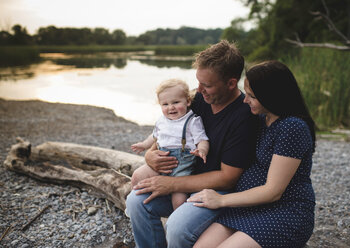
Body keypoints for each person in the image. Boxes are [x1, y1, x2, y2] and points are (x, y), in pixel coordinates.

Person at [125, 40, 259, 248]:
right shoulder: (199, 100)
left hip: (218, 193)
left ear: (231, 83)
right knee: (136, 201)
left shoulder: (243, 117)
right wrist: (150, 155)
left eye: (207, 85)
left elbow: (227, 179)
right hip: (183, 175)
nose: (199, 90)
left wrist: (171, 185)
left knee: (177, 227)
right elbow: (169, 130)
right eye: (198, 82)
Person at [188, 60, 316, 248]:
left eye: (252, 96)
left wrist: (221, 200)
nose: (245, 100)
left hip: (285, 211)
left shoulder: (292, 127)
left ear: (272, 97)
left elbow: (273, 191)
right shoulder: (262, 118)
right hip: (248, 207)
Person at [130, 78, 209, 210]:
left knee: (178, 201)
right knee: (137, 176)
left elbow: (202, 139)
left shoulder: (192, 121)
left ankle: (174, 219)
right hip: (161, 163)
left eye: (176, 102)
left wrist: (202, 150)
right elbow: (155, 136)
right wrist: (144, 145)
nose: (170, 107)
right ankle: (134, 201)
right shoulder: (162, 121)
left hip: (181, 168)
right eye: (165, 104)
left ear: (188, 101)